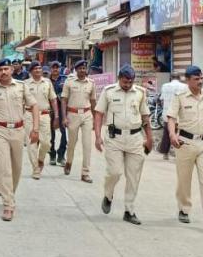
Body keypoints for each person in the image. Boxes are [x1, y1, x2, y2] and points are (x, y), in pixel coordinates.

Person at [0, 58, 39, 221]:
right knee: (4, 167)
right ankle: (8, 204)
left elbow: (34, 106)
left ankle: (10, 193)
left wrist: (35, 129)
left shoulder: (21, 87)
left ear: (12, 70)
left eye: (6, 69)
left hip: (18, 131)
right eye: (0, 70)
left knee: (17, 168)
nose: (3, 72)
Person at [94, 64, 153, 225]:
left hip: (135, 139)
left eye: (131, 82)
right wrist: (97, 136)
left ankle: (129, 210)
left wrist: (149, 138)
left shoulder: (140, 93)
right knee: (115, 172)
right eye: (125, 82)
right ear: (119, 78)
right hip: (115, 138)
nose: (128, 85)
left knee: (133, 177)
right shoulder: (108, 91)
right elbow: (99, 114)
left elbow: (145, 116)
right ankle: (108, 194)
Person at [167, 65, 203, 228]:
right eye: (196, 79)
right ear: (188, 80)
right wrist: (172, 134)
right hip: (185, 143)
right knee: (184, 179)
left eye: (201, 78)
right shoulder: (180, 96)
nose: (200, 81)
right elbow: (171, 117)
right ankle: (184, 209)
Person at [61, 60, 96, 183]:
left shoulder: (91, 83)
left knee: (87, 145)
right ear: (76, 70)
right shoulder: (69, 81)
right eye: (80, 68)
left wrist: (96, 118)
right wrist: (64, 117)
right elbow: (64, 100)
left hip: (87, 114)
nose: (82, 70)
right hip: (72, 114)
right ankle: (69, 162)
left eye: (84, 68)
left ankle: (85, 173)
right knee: (72, 143)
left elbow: (93, 102)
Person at [24, 61, 59, 179]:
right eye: (35, 69)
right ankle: (35, 169)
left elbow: (53, 99)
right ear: (31, 71)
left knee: (46, 143)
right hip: (29, 115)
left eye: (39, 68)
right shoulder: (25, 84)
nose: (38, 70)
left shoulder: (47, 82)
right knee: (32, 143)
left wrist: (57, 116)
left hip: (44, 115)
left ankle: (40, 159)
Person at [159, 72, 187, 160]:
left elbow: (162, 100)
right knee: (179, 134)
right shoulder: (184, 86)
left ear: (171, 78)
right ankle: (177, 153)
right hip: (178, 115)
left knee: (167, 134)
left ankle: (165, 154)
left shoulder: (165, 86)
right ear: (179, 78)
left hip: (167, 114)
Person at [48, 61, 67, 166]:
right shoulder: (46, 81)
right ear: (50, 69)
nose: (55, 69)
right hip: (49, 110)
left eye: (57, 67)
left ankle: (61, 155)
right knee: (51, 134)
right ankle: (52, 155)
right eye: (53, 67)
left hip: (62, 110)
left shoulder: (65, 79)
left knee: (64, 134)